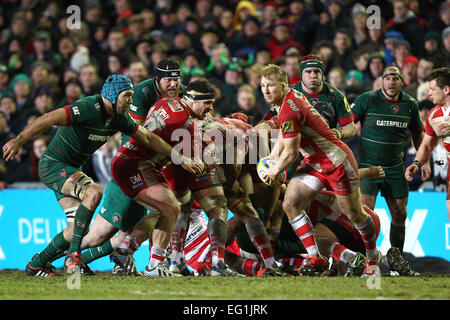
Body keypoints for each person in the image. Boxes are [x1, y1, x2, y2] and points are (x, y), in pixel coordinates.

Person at [2, 74, 200, 277]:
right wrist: (19, 140)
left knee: (76, 231)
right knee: (94, 192)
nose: (131, 101)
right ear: (112, 95)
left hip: (72, 168)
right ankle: (74, 256)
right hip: (54, 165)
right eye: (127, 96)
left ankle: (36, 264)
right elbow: (48, 118)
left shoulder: (119, 118)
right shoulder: (88, 108)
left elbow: (148, 137)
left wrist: (178, 157)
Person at [259, 64, 380, 277]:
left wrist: (275, 170)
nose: (266, 90)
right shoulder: (286, 100)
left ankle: (372, 256)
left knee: (354, 213)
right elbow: (283, 137)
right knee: (291, 203)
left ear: (284, 85)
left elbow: (290, 153)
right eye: (262, 86)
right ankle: (316, 257)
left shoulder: (289, 108)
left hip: (335, 162)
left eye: (270, 85)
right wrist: (271, 158)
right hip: (314, 164)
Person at [73, 59, 188, 276]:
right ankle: (54, 258)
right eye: (168, 80)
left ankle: (134, 261)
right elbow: (140, 135)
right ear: (157, 79)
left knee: (138, 225)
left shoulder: (184, 93)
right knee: (100, 234)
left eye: (176, 79)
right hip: (133, 165)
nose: (173, 85)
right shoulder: (142, 93)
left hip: (157, 166)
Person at [110, 80, 215, 277]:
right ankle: (154, 265)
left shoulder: (169, 102)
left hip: (131, 161)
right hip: (136, 165)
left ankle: (125, 250)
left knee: (163, 210)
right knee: (171, 207)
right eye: (207, 103)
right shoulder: (184, 123)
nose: (210, 109)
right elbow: (196, 160)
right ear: (194, 100)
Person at [351, 66, 425, 255]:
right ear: (381, 80)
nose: (391, 82)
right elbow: (347, 122)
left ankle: (396, 260)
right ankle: (363, 258)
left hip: (394, 167)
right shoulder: (366, 99)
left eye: (395, 78)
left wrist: (422, 160)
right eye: (387, 78)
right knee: (365, 215)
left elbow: (418, 133)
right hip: (368, 167)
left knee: (400, 213)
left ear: (402, 82)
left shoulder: (411, 104)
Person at [405, 67, 450, 222]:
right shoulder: (433, 116)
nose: (429, 93)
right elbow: (426, 146)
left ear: (446, 89)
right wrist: (417, 163)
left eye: (432, 89)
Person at [291, 54, 355, 141]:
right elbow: (273, 121)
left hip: (327, 145)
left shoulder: (336, 95)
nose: (313, 76)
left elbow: (350, 128)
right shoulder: (290, 94)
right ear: (301, 74)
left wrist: (339, 133)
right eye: (308, 72)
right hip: (298, 145)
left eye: (317, 71)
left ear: (322, 74)